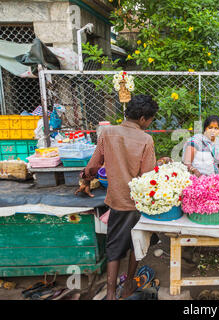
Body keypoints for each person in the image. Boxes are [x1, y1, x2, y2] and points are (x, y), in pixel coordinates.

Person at [76, 95, 170, 300]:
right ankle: (128, 287)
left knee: (114, 246)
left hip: (117, 200)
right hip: (138, 203)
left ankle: (110, 293)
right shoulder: (145, 139)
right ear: (144, 118)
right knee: (138, 244)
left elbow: (93, 165)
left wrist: (85, 179)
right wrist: (161, 167)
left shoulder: (108, 133)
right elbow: (148, 177)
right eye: (151, 120)